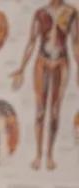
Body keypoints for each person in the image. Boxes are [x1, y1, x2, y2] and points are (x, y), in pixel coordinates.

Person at [10, 0, 79, 171]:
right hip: (42, 62)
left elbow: (76, 43)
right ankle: (38, 155)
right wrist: (21, 68)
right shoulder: (40, 13)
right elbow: (32, 42)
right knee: (40, 110)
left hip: (61, 63)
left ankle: (49, 155)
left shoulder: (71, 12)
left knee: (55, 111)